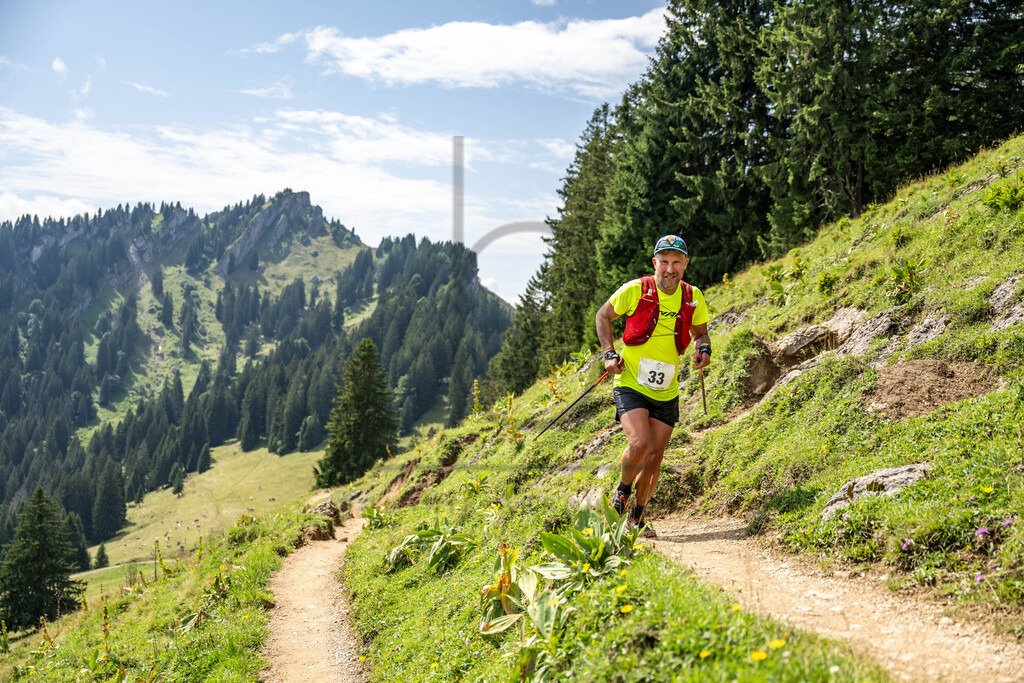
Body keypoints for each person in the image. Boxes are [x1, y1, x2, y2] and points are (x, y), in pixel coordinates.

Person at [595, 234, 711, 538]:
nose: (670, 269)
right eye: (664, 262)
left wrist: (703, 349)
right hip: (631, 382)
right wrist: (609, 354)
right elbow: (603, 315)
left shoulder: (693, 296)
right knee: (639, 444)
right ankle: (621, 495)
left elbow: (700, 333)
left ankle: (637, 517)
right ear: (654, 263)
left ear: (685, 264)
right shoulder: (636, 289)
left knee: (655, 457)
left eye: (676, 262)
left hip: (666, 389)